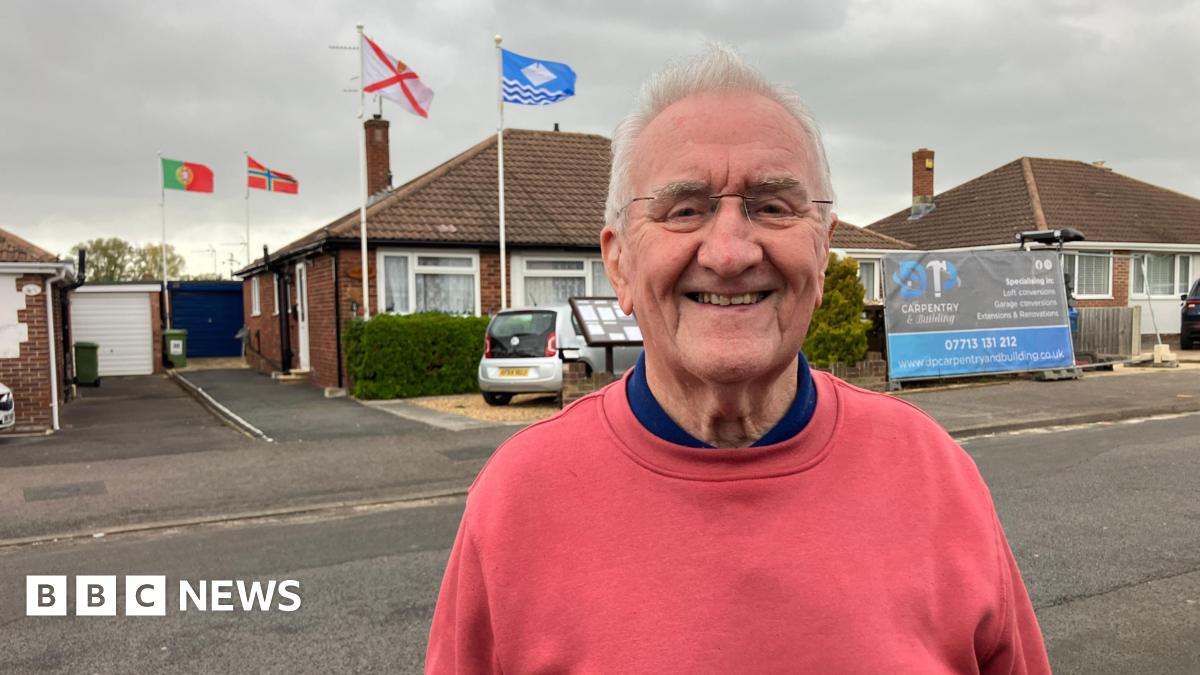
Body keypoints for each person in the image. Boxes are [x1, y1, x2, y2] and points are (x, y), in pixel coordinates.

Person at [426, 44, 1051, 674]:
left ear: (823, 249)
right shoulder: (516, 504)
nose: (729, 252)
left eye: (774, 206)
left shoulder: (936, 476)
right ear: (618, 261)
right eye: (685, 210)